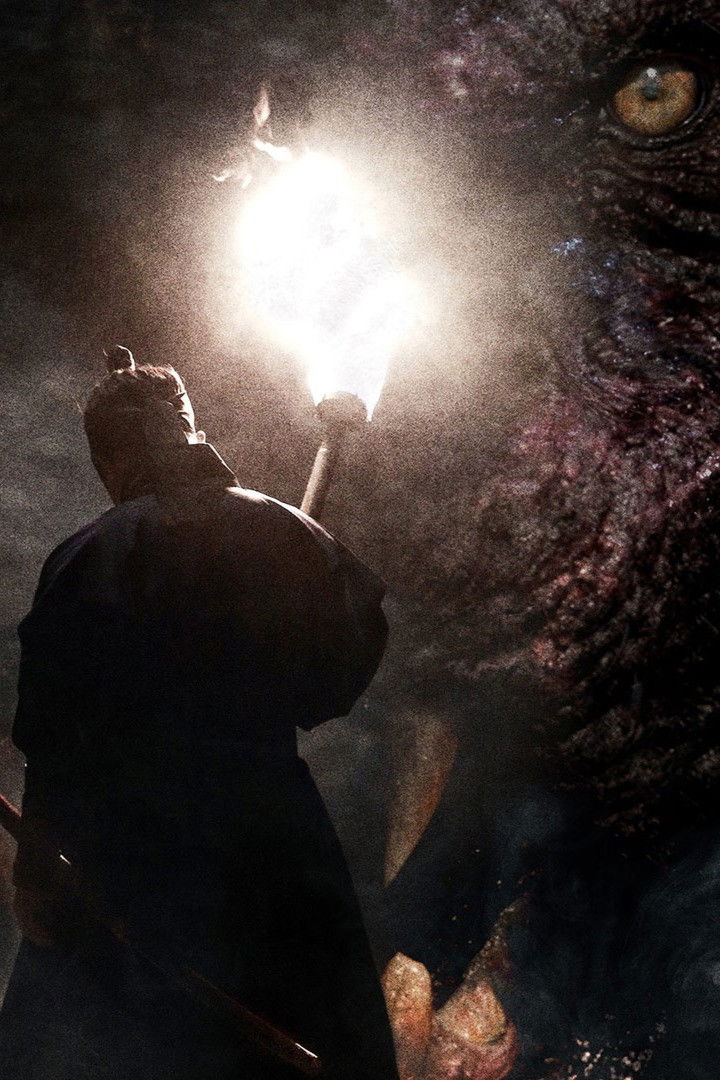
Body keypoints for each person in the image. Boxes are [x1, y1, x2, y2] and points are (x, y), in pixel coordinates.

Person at [0, 346, 399, 1080]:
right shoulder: (287, 532)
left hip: (131, 855)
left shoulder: (92, 554)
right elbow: (336, 675)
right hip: (274, 846)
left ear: (111, 458)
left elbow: (56, 732)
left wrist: (38, 875)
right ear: (188, 427)